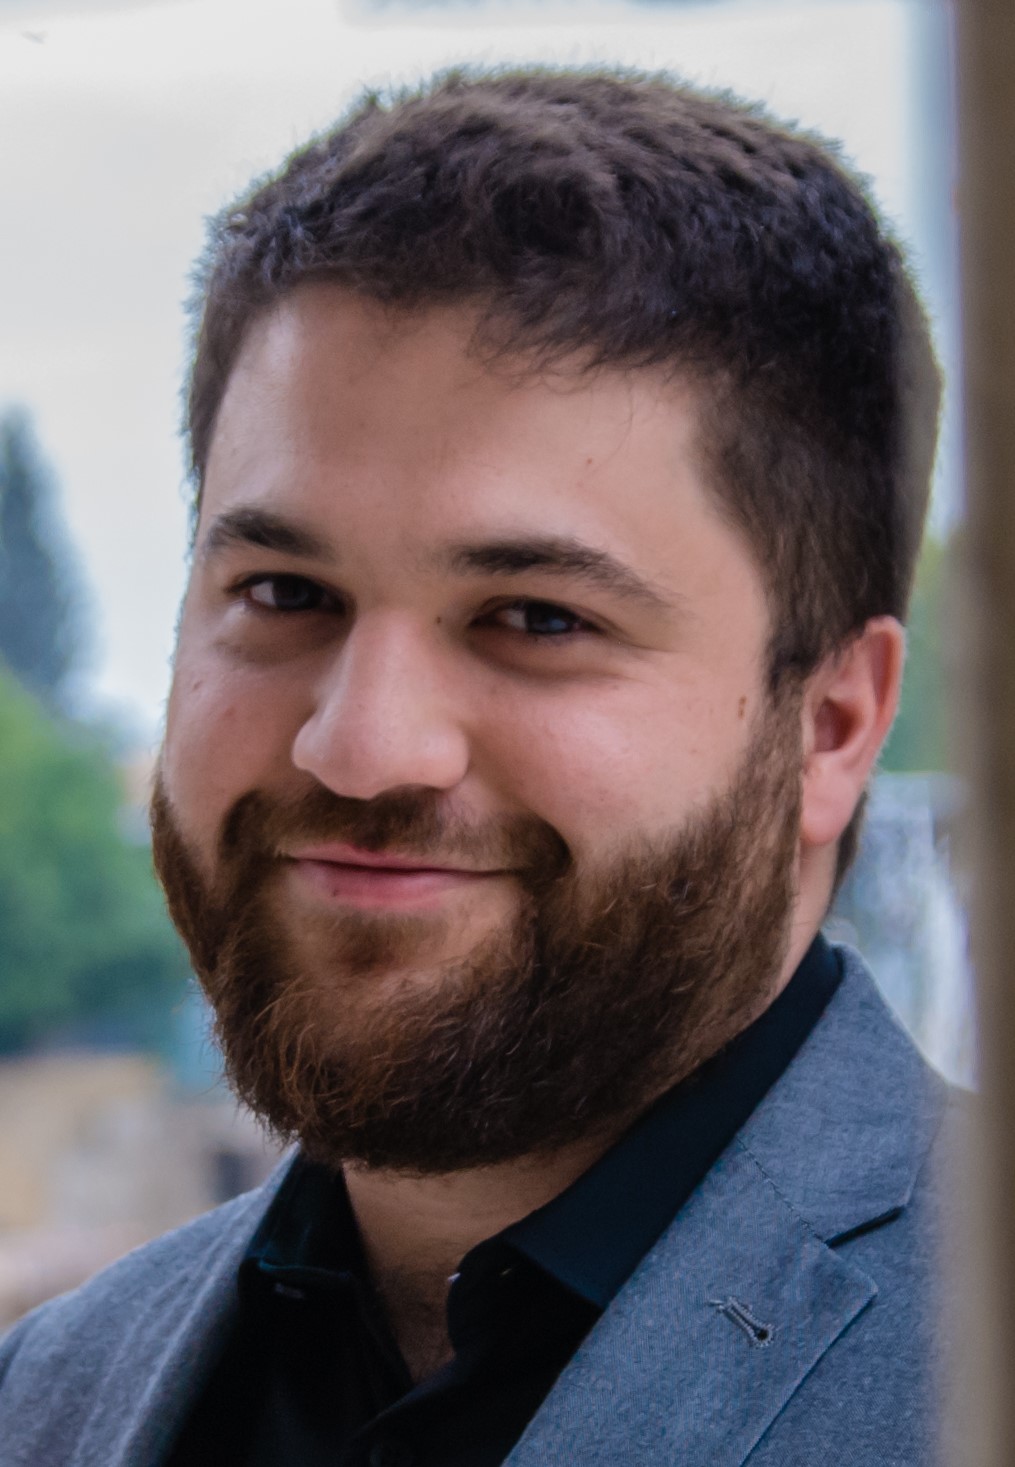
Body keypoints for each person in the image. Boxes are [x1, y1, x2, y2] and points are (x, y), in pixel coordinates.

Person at [0, 67, 954, 1467]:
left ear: (832, 726)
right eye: (284, 593)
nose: (359, 747)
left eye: (536, 619)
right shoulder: (42, 1400)